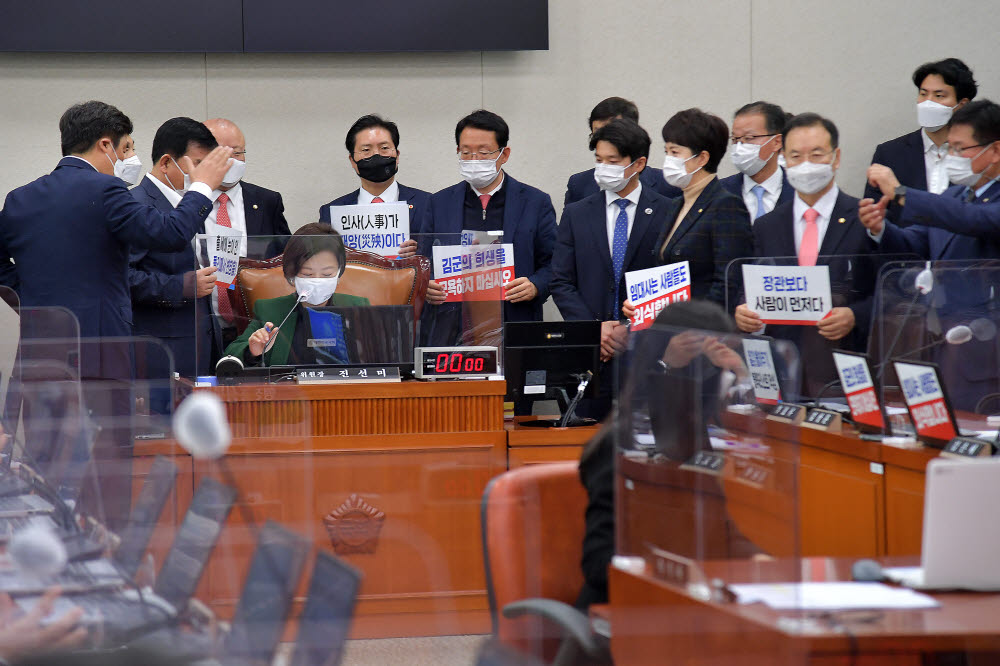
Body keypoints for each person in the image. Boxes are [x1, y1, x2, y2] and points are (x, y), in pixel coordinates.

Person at [0, 100, 232, 379]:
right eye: (125, 149)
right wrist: (203, 186)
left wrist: (27, 300)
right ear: (105, 145)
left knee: (45, 422)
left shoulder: (19, 198)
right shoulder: (106, 189)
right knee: (105, 422)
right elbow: (172, 233)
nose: (126, 160)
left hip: (39, 349)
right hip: (101, 349)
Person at [577, 300, 759, 608]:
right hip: (628, 612)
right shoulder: (619, 444)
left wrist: (756, 558)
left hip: (693, 603)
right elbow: (600, 564)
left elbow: (718, 528)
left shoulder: (695, 443)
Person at [860, 100, 1000, 410]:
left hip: (987, 347)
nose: (952, 157)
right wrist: (881, 229)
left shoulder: (966, 205)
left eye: (961, 149)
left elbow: (974, 220)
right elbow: (917, 243)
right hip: (938, 340)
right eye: (950, 148)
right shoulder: (953, 195)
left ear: (995, 151)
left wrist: (901, 192)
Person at [735, 113, 876, 397]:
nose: (806, 164)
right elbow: (753, 284)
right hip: (782, 368)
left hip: (843, 368)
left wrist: (854, 315)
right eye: (796, 155)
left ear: (836, 158)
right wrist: (743, 310)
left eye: (816, 154)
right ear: (784, 158)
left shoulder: (864, 219)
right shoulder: (768, 225)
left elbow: (892, 292)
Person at [551, 118, 673, 420]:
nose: (603, 168)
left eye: (613, 161)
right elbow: (561, 280)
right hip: (590, 354)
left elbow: (670, 279)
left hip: (646, 352)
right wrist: (596, 329)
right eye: (598, 160)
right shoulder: (577, 213)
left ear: (639, 163)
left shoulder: (668, 211)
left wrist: (630, 329)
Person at [413, 109, 556, 345]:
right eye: (466, 152)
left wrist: (536, 285)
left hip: (514, 323)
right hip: (451, 329)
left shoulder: (535, 202)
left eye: (483, 152)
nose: (474, 160)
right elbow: (424, 261)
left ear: (504, 154)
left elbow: (555, 263)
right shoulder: (439, 203)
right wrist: (424, 285)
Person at [128, 117, 220, 379]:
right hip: (159, 350)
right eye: (199, 165)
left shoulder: (192, 203)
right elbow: (123, 276)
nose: (206, 177)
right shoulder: (136, 205)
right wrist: (180, 285)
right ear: (167, 162)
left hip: (201, 343)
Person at [203, 118, 290, 353]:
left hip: (257, 329)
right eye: (222, 154)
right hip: (200, 328)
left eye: (238, 153)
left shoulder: (266, 201)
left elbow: (286, 259)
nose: (232, 161)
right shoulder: (184, 202)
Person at [225, 224, 369, 366]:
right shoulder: (270, 310)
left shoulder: (357, 308)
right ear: (292, 275)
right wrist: (251, 352)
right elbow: (230, 355)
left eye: (327, 274)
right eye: (307, 274)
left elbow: (380, 357)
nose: (317, 280)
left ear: (339, 274)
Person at [655, 108, 753, 309]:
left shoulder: (726, 205)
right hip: (669, 329)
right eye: (666, 152)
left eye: (675, 152)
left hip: (703, 332)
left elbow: (727, 283)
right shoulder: (676, 204)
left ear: (702, 158)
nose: (668, 160)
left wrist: (694, 325)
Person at [862, 58, 977, 201]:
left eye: (939, 96)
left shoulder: (979, 154)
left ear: (962, 104)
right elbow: (876, 213)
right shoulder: (889, 154)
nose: (928, 102)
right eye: (923, 94)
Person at [318, 114, 432, 235]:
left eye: (384, 147)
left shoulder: (429, 204)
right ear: (352, 161)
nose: (376, 155)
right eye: (366, 150)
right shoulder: (331, 212)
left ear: (397, 156)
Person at [563, 96, 680, 207]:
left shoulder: (667, 185)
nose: (606, 138)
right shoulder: (578, 184)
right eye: (598, 133)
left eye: (614, 131)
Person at [718, 101, 794, 222]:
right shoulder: (718, 192)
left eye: (749, 138)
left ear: (777, 142)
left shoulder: (800, 192)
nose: (739, 147)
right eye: (735, 139)